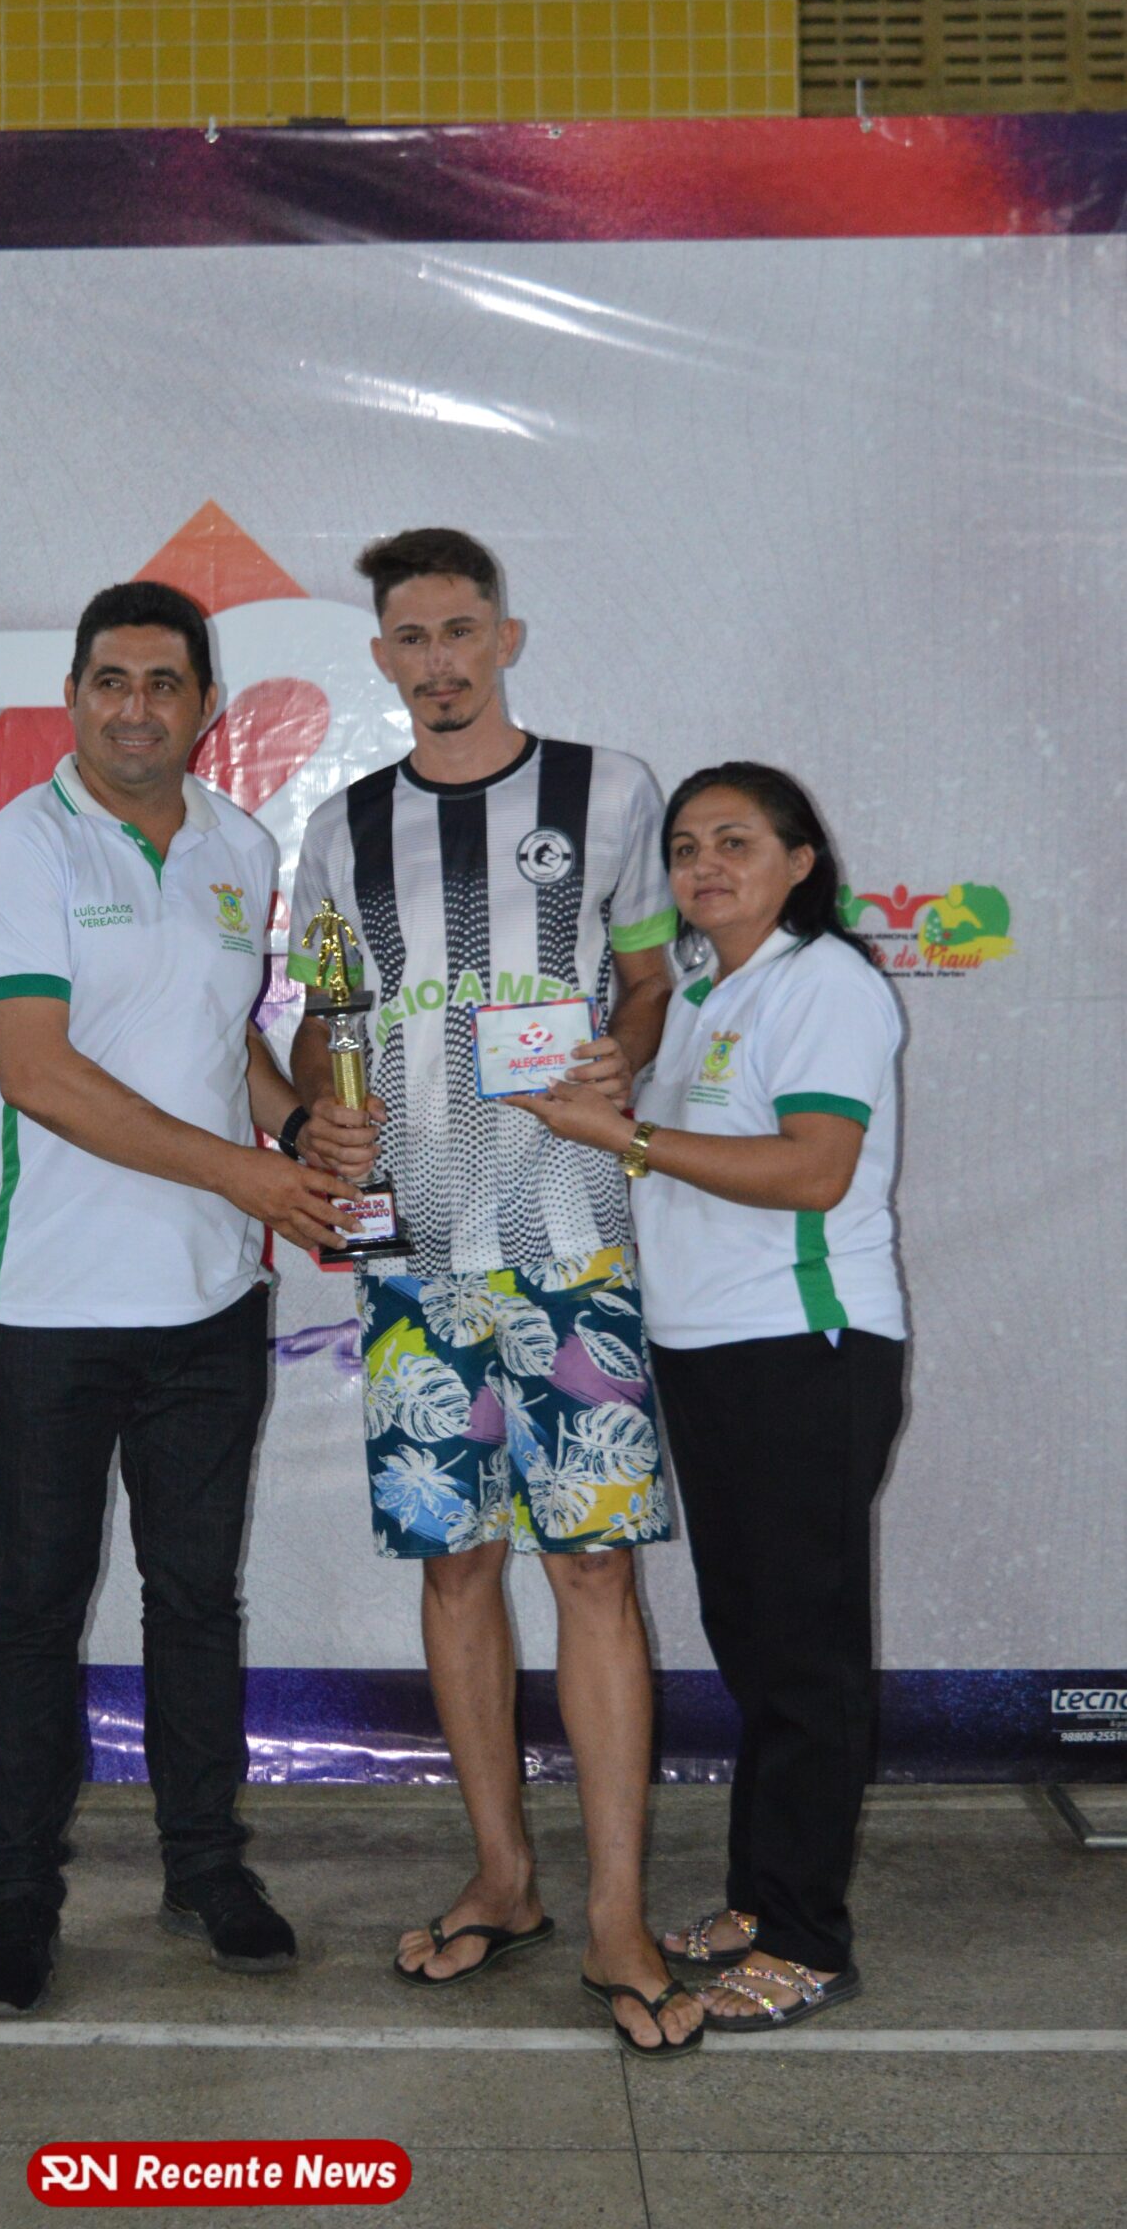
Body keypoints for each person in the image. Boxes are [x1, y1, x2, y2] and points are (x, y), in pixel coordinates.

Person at [285, 528, 701, 2058]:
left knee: (592, 1575)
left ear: (505, 638)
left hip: (569, 1242)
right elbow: (323, 1017)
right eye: (410, 638)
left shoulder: (610, 791)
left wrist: (620, 1056)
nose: (439, 661)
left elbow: (647, 977)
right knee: (455, 1569)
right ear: (380, 658)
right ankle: (503, 1877)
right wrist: (315, 1116)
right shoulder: (338, 826)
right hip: (413, 1259)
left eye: (461, 630)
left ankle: (615, 1915)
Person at [0, 579, 370, 2016]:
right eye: (110, 681)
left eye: (163, 683)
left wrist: (293, 1129)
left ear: (204, 705)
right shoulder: (20, 847)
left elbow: (219, 1044)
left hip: (207, 1301)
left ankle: (205, 1870)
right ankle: (21, 1895)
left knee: (194, 1601)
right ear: (73, 696)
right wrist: (247, 1171)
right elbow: (40, 1073)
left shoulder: (238, 846)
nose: (136, 707)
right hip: (51, 1305)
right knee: (36, 1607)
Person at [512, 762, 906, 2033]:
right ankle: (756, 1897)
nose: (703, 865)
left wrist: (621, 1138)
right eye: (685, 847)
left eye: (736, 841)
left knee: (803, 1657)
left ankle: (806, 1940)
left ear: (800, 861)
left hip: (805, 1344)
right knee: (753, 1639)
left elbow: (813, 1169)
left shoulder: (824, 982)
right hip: (706, 1349)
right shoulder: (698, 995)